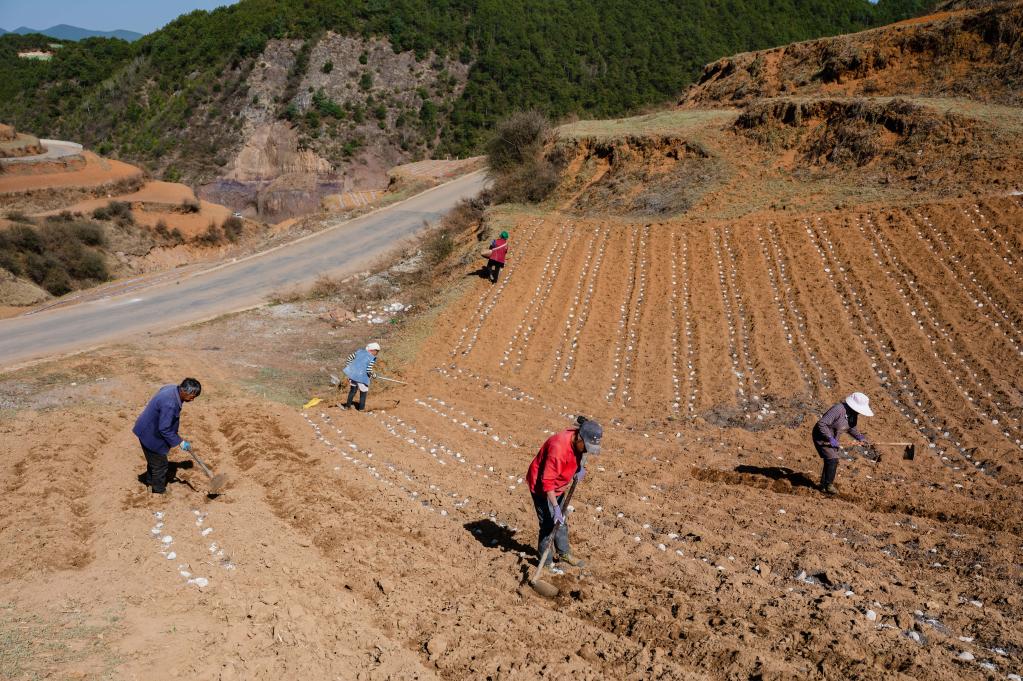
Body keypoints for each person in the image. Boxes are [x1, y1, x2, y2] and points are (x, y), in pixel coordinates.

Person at [525, 416, 602, 570]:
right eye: (586, 446)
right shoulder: (558, 449)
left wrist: (579, 468)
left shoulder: (578, 441)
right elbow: (547, 482)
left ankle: (563, 553)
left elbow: (577, 455)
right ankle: (545, 563)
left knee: (561, 522)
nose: (587, 450)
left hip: (558, 485)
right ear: (579, 438)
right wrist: (555, 506)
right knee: (548, 525)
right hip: (543, 488)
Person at [133, 378, 202, 495]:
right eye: (192, 395)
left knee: (154, 461)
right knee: (161, 465)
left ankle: (150, 482)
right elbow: (164, 428)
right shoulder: (170, 404)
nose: (193, 399)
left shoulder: (172, 388)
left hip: (148, 427)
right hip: (150, 434)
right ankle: (158, 491)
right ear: (184, 391)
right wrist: (180, 442)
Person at [813, 392, 872, 494]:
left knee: (830, 459)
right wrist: (830, 438)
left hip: (833, 438)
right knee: (833, 459)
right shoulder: (838, 409)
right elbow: (822, 423)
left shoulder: (853, 414)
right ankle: (828, 485)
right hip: (822, 436)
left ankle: (823, 485)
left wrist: (860, 437)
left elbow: (851, 427)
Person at [341, 342, 379, 411]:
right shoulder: (372, 358)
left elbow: (349, 358)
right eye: (376, 351)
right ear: (372, 350)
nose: (377, 353)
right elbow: (368, 370)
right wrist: (374, 375)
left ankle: (347, 406)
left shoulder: (359, 352)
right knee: (363, 392)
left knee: (353, 390)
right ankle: (361, 408)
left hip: (353, 375)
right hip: (362, 378)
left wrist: (349, 367)